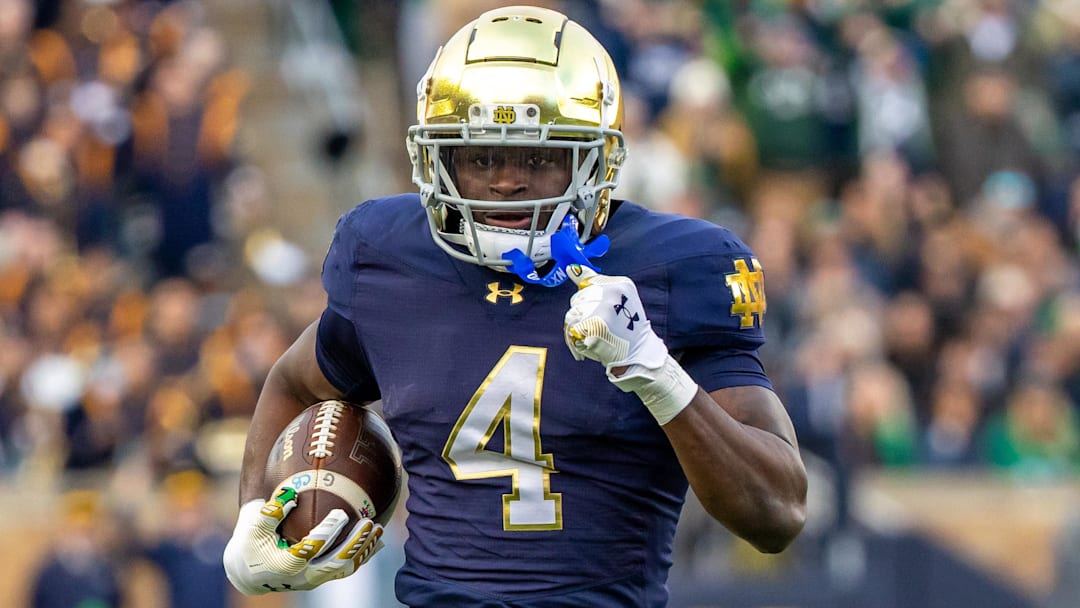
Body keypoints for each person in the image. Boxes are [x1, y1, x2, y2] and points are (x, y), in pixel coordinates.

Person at [223, 5, 807, 606]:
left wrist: (654, 371)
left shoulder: (674, 270)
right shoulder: (389, 255)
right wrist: (250, 518)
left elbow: (778, 513)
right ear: (438, 157)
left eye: (537, 157)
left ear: (596, 160)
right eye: (479, 157)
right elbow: (296, 382)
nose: (505, 181)